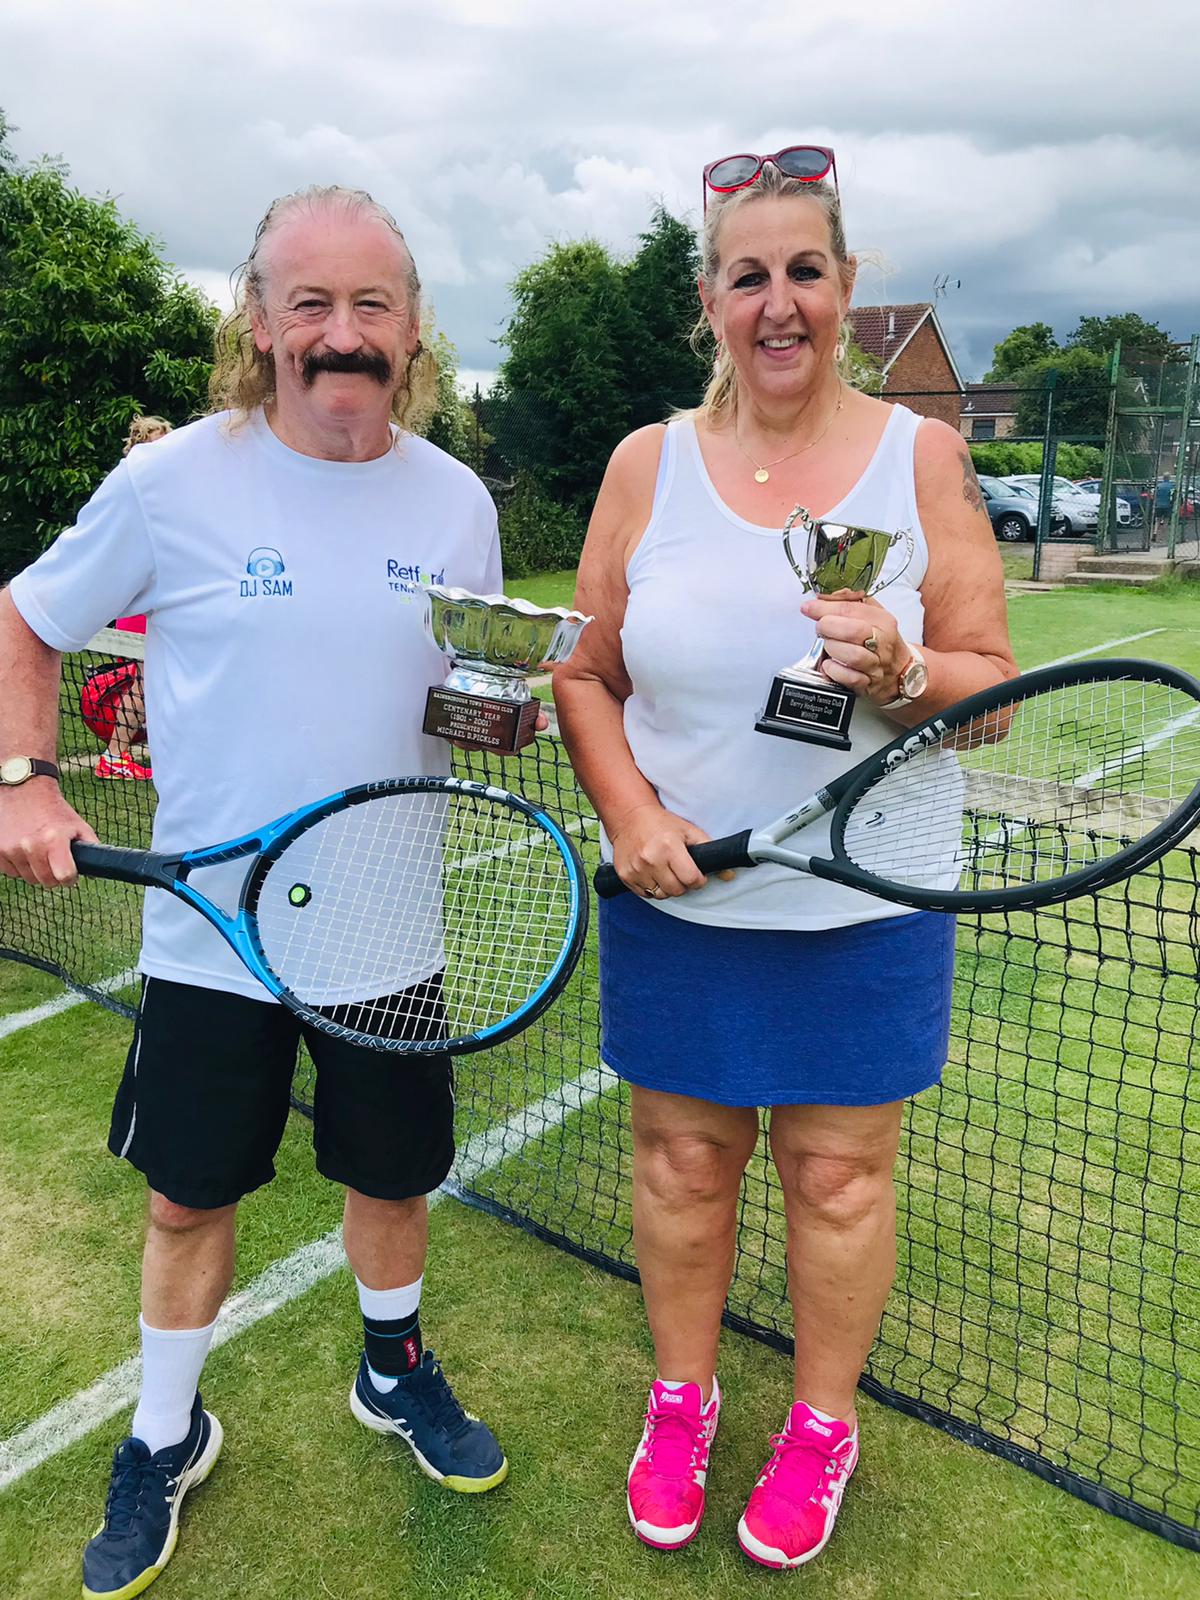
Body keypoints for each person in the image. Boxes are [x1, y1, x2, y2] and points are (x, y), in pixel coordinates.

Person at [0, 186, 515, 1600]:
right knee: (186, 1199)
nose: (342, 333)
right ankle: (166, 1432)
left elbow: (470, 688)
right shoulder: (172, 484)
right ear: (260, 321)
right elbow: (24, 618)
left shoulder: (457, 501)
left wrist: (497, 715)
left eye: (371, 305)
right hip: (211, 940)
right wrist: (23, 780)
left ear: (413, 330)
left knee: (393, 1178)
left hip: (390, 933)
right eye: (311, 303)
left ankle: (392, 1368)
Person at [554, 147, 1017, 1570]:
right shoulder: (646, 464)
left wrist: (906, 671)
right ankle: (681, 1402)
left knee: (838, 1183)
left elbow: (993, 691)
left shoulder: (919, 457)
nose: (777, 302)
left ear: (847, 287)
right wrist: (632, 816)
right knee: (683, 1164)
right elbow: (584, 670)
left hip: (868, 905)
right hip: (681, 899)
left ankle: (822, 1427)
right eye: (747, 275)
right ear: (710, 300)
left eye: (804, 271)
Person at [94, 419, 174, 782]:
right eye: (160, 441)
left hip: (158, 608)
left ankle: (156, 753)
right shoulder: (134, 489)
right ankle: (114, 755)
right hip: (141, 611)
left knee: (159, 685)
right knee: (144, 684)